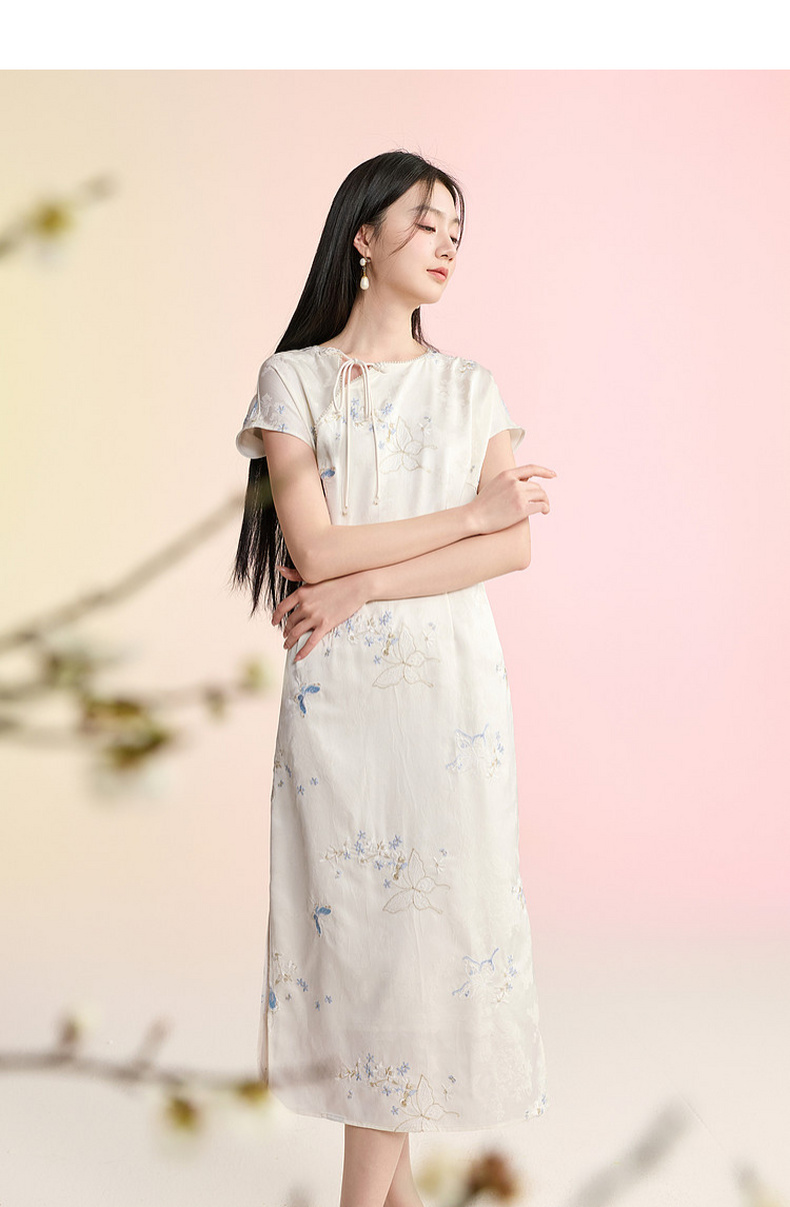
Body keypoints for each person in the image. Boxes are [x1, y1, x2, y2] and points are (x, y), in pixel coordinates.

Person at [232, 149, 556, 1207]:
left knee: (421, 946)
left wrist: (368, 585)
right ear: (362, 238)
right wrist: (466, 515)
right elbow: (314, 549)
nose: (447, 242)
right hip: (341, 707)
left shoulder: (472, 388)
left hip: (450, 704)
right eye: (425, 221)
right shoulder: (294, 380)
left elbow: (510, 550)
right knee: (368, 950)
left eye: (457, 227)